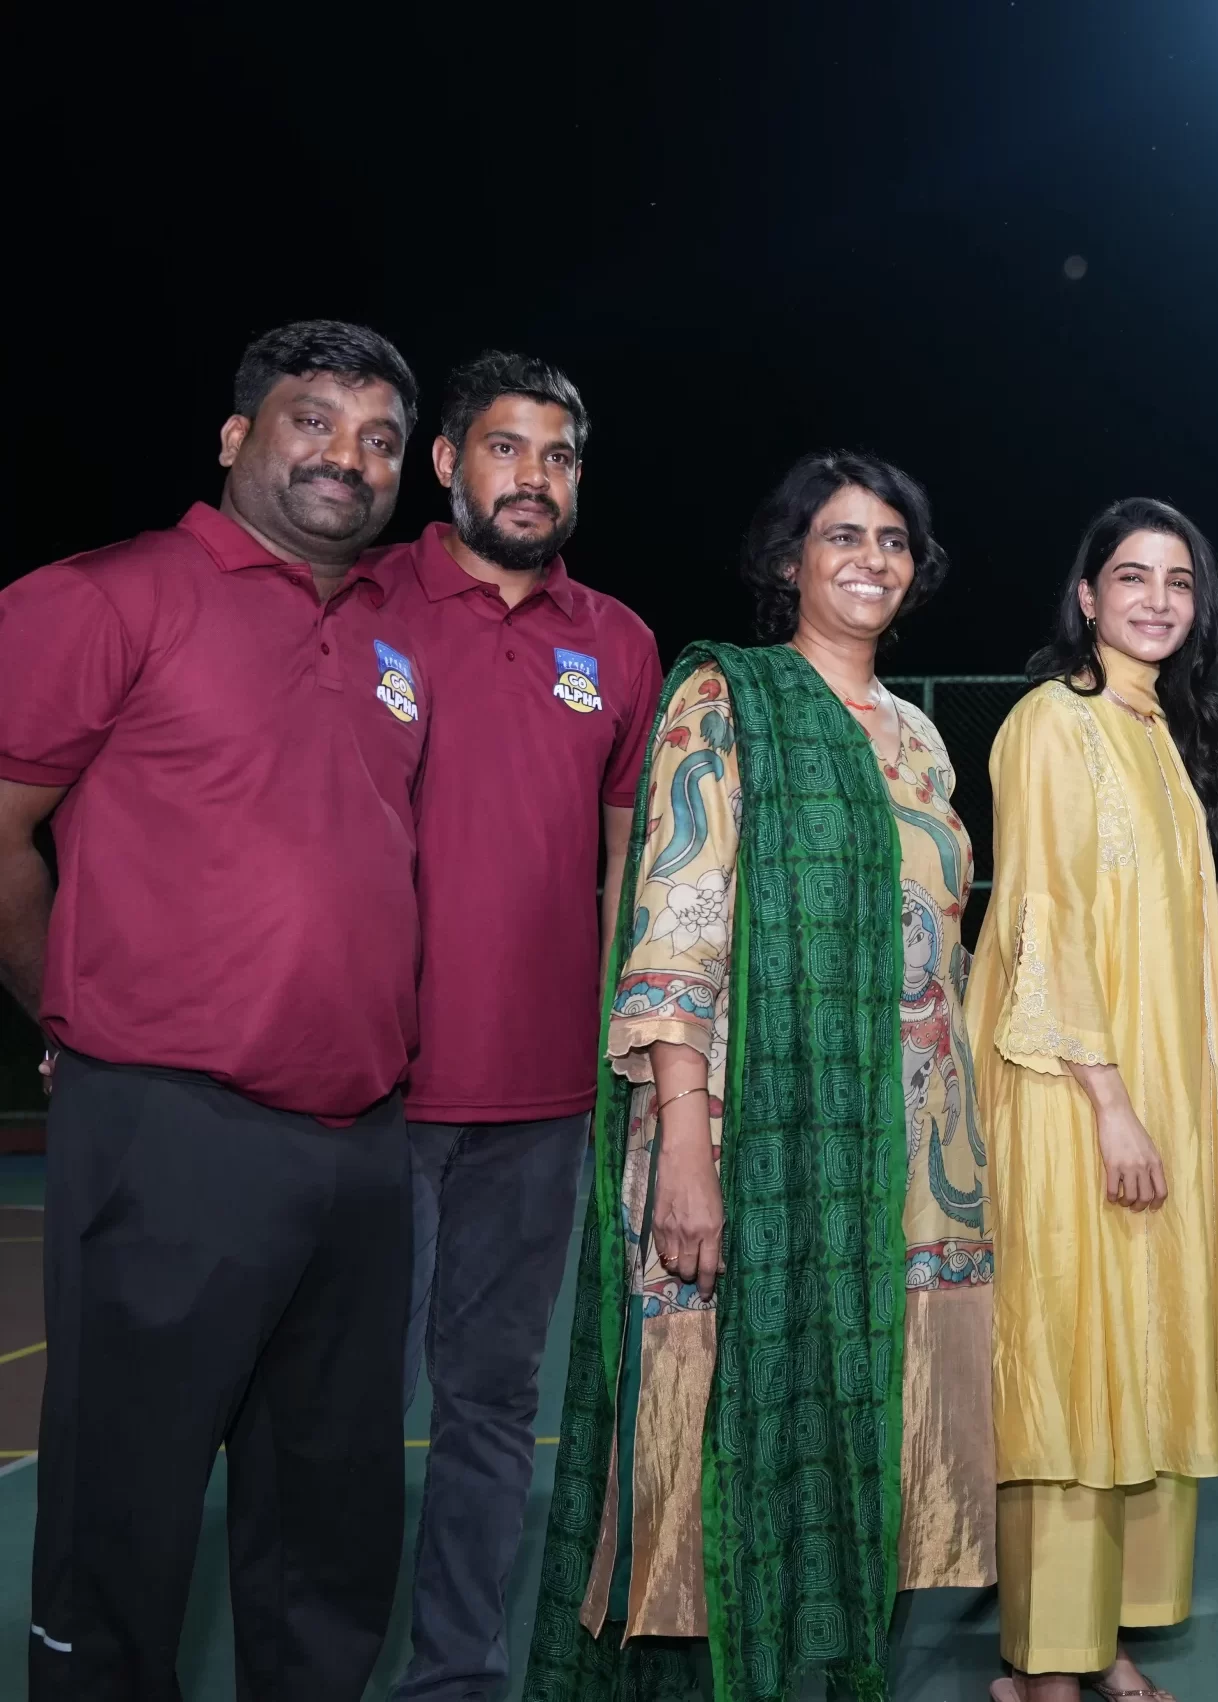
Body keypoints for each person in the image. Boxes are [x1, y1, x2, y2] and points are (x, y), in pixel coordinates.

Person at [0, 320, 425, 1700]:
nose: (345, 457)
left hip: (362, 1138)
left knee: (331, 1524)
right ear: (237, 437)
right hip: (173, 1120)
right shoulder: (106, 596)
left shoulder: (383, 632)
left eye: (377, 438)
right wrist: (67, 1010)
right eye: (313, 421)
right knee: (127, 1507)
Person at [525, 451, 992, 1700]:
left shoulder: (924, 742)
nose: (870, 560)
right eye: (840, 536)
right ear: (787, 562)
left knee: (852, 1425)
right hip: (745, 1137)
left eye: (893, 540)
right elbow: (675, 929)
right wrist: (683, 1144)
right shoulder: (725, 702)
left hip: (893, 1151)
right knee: (717, 1429)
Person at [371, 350, 662, 1702]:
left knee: (490, 1413)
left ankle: (458, 1676)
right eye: (504, 448)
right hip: (363, 1098)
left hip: (539, 1107)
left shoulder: (615, 642)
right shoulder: (361, 603)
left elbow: (625, 874)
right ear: (445, 462)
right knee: (340, 1415)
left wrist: (624, 1066)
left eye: (557, 455)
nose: (531, 477)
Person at [966, 497, 1218, 1702]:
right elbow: (1040, 920)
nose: (1157, 598)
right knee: (1069, 1352)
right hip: (1070, 1086)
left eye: (1180, 580)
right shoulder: (1053, 722)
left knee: (1142, 1342)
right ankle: (1044, 1661)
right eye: (1131, 576)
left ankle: (1108, 1633)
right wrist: (1107, 1100)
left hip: (1158, 1092)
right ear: (1087, 597)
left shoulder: (1159, 732)